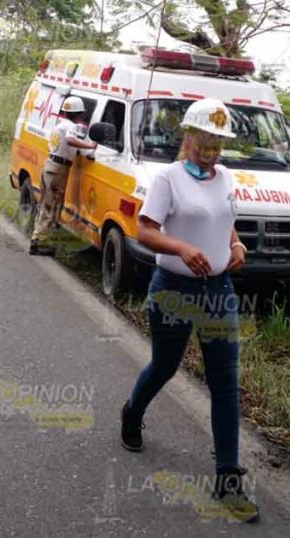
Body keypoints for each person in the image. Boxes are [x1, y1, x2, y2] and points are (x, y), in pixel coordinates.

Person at [120, 98, 258, 522]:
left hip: (219, 290)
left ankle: (228, 479)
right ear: (188, 137)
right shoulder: (168, 179)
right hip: (174, 290)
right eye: (204, 141)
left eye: (218, 143)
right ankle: (132, 411)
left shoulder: (227, 178)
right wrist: (181, 247)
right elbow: (145, 229)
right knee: (164, 366)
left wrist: (235, 244)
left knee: (225, 382)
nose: (211, 150)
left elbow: (223, 217)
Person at [29, 96, 98, 256]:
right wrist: (90, 146)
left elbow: (69, 145)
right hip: (58, 169)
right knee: (51, 206)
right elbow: (70, 140)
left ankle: (38, 238)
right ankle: (38, 242)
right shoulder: (71, 127)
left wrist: (86, 151)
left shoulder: (59, 125)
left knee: (47, 204)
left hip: (50, 165)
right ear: (79, 114)